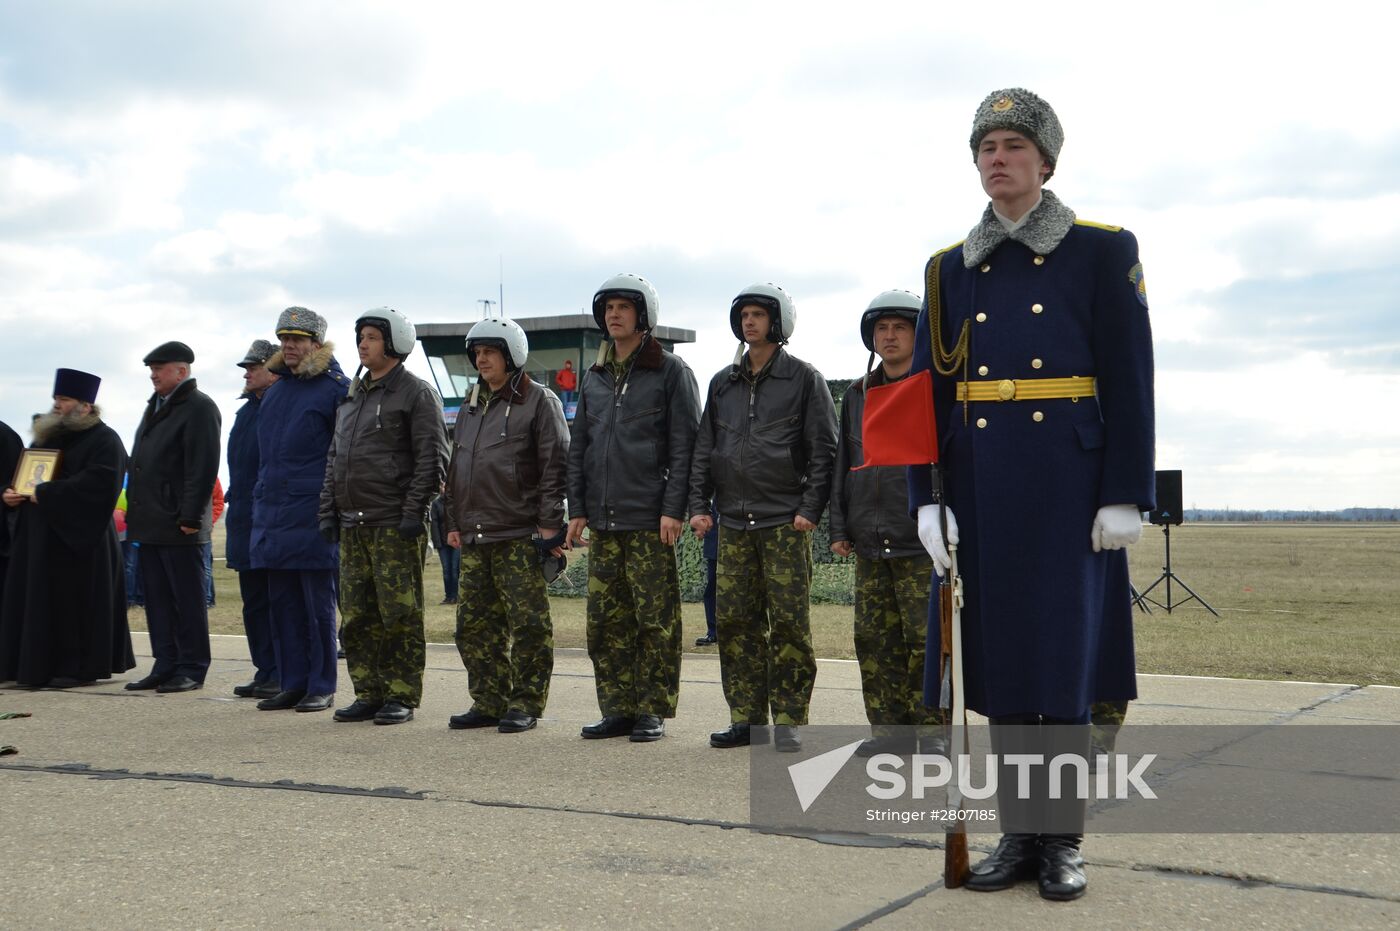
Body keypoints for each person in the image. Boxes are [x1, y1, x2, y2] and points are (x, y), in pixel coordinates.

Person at [906, 88, 1155, 901]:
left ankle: (1063, 840)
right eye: (985, 147)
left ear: (1045, 160)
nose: (996, 158)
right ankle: (1019, 834)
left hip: (1071, 488)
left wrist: (1127, 491)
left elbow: (1130, 377)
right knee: (1005, 670)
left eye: (1013, 144)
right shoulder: (950, 267)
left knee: (1063, 665)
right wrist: (925, 498)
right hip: (983, 488)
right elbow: (925, 398)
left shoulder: (1100, 250)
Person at [688, 283, 837, 752]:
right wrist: (698, 505)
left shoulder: (804, 379)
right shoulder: (721, 383)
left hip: (783, 524)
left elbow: (824, 451)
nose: (750, 322)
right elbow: (704, 450)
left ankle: (790, 720)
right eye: (744, 315)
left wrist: (809, 510)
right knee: (735, 624)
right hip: (732, 523)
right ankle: (746, 719)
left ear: (778, 322)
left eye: (759, 315)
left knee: (790, 624)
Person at [565, 274, 700, 743]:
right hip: (603, 519)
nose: (614, 315)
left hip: (649, 518)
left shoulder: (671, 372)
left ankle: (652, 709)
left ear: (643, 316)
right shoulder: (595, 377)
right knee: (606, 620)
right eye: (608, 308)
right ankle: (617, 707)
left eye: (624, 307)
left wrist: (674, 508)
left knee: (654, 618)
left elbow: (686, 446)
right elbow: (580, 445)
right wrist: (577, 507)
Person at [829, 291, 942, 756]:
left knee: (926, 644)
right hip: (869, 542)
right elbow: (844, 463)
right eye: (881, 329)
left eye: (900, 327)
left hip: (919, 542)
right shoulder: (857, 394)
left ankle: (933, 735)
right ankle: (888, 736)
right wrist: (839, 527)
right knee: (875, 644)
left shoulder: (934, 387)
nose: (889, 336)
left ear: (918, 334)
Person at [320, 307, 445, 726]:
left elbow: (432, 458)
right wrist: (328, 512)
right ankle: (368, 691)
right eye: (361, 337)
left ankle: (401, 694)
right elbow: (335, 459)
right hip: (353, 523)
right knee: (357, 615)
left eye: (372, 336)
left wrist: (414, 511)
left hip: (395, 523)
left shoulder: (415, 393)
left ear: (394, 342)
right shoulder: (353, 397)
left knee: (400, 615)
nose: (363, 344)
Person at [443, 316, 568, 734]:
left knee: (529, 625)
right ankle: (489, 699)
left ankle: (526, 702)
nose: (481, 359)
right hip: (476, 535)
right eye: (477, 353)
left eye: (490, 352)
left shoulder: (539, 401)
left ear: (511, 355)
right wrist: (454, 520)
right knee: (473, 627)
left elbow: (555, 467)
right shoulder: (471, 406)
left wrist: (551, 526)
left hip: (520, 533)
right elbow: (457, 468)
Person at [1, 370, 135, 687]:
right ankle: (32, 666)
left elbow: (100, 485)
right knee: (36, 602)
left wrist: (44, 494)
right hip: (38, 540)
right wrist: (9, 492)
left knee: (73, 605)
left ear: (85, 405)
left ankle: (75, 667)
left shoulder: (105, 439)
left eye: (64, 399)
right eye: (56, 399)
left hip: (79, 542)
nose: (57, 405)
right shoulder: (47, 437)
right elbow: (26, 475)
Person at [251, 308, 352, 713]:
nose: (289, 346)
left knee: (318, 607)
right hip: (274, 513)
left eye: (297, 339)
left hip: (312, 513)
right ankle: (292, 681)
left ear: (316, 343)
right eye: (284, 339)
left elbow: (342, 455)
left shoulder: (335, 390)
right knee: (283, 605)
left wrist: (333, 509)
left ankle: (321, 684)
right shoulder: (275, 392)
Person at [125, 342, 222, 694]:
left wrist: (191, 516)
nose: (153, 374)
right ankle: (165, 663)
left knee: (187, 600)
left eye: (160, 368)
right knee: (158, 601)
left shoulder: (199, 407)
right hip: (151, 522)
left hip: (179, 523)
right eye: (151, 368)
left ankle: (192, 667)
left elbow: (203, 465)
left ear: (181, 372)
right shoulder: (156, 405)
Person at [225, 339, 281, 698]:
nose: (247, 373)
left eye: (253, 367)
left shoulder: (277, 409)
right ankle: (265, 669)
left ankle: (280, 670)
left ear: (272, 371)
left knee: (276, 600)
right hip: (245, 518)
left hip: (270, 519)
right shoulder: (246, 411)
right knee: (254, 601)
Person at [429, 484, 459, 604]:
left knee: (455, 569)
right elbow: (434, 524)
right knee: (446, 570)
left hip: (456, 541)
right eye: (443, 486)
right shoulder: (436, 504)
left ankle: (457, 596)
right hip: (443, 543)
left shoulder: (457, 501)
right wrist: (437, 543)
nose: (445, 489)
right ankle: (449, 596)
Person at [202, 478, 224, 607]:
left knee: (205, 566)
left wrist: (209, 522)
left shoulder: (211, 477)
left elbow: (219, 502)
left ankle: (207, 599)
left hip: (204, 529)